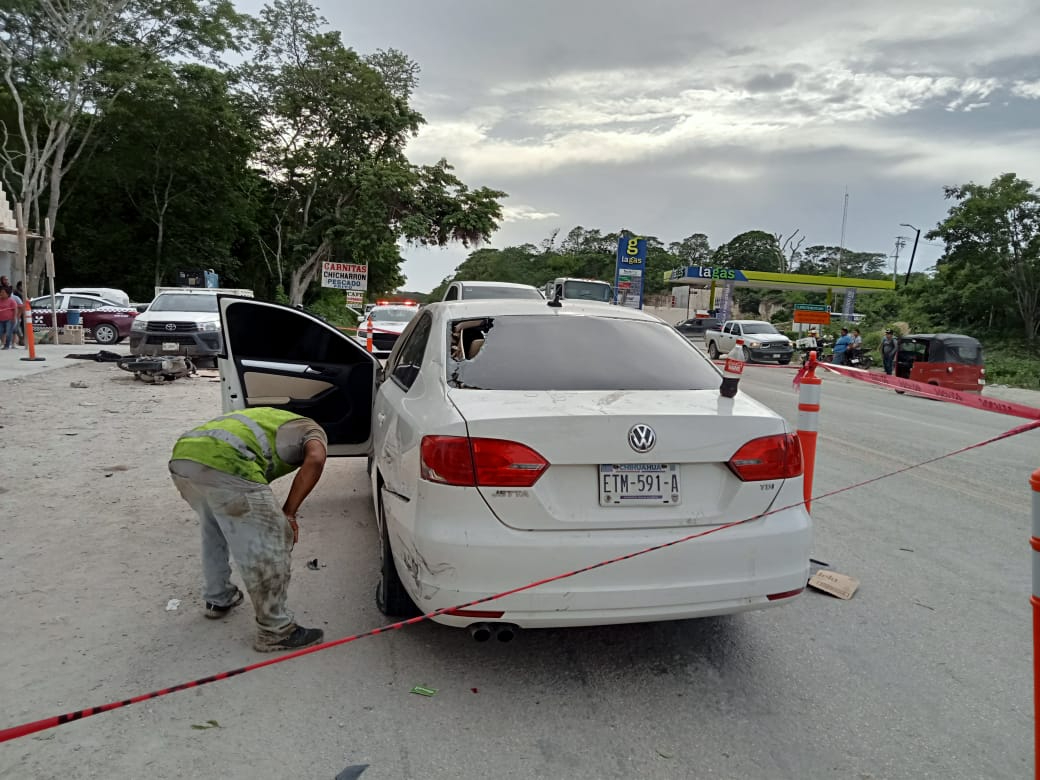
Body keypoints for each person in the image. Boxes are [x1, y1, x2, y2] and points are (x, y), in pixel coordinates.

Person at [169, 407, 329, 652]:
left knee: (215, 529)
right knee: (271, 539)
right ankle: (275, 630)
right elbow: (316, 458)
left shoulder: (269, 419)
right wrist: (288, 512)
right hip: (226, 461)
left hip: (183, 458)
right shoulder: (312, 430)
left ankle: (218, 598)